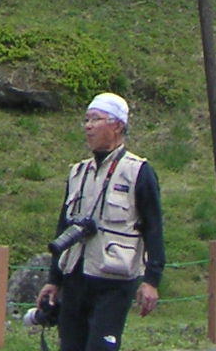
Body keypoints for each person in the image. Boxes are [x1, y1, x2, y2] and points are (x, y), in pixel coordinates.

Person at [34, 92, 164, 351]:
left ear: (117, 125)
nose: (88, 126)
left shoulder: (138, 171)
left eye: (96, 119)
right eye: (86, 120)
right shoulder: (78, 172)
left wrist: (151, 280)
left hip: (114, 280)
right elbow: (64, 227)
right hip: (75, 277)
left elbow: (154, 227)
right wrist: (54, 279)